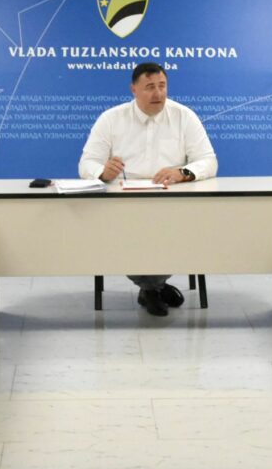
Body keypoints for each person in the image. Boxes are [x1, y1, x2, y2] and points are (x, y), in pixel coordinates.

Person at [78, 62, 217, 316]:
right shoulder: (111, 119)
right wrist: (102, 173)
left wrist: (183, 173)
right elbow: (86, 163)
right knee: (130, 232)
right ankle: (155, 287)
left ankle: (151, 288)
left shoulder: (184, 116)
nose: (158, 93)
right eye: (150, 87)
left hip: (171, 202)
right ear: (134, 89)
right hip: (123, 205)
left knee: (171, 229)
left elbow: (208, 160)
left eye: (162, 86)